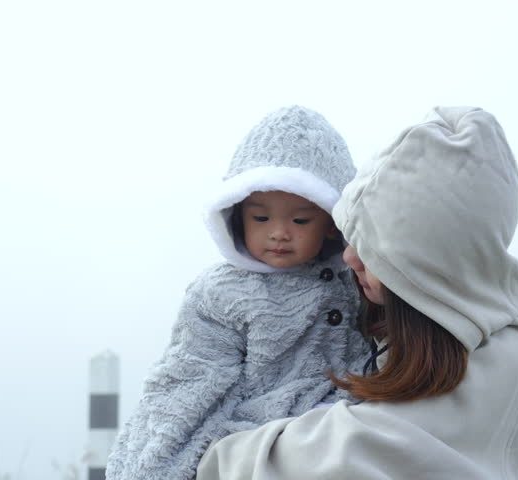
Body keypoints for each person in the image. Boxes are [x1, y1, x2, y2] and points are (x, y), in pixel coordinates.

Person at [196, 106, 518, 480]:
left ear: (430, 268)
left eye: (375, 251)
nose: (348, 257)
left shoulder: (390, 436)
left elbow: (269, 462)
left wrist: (212, 447)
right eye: (351, 236)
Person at [106, 106, 371, 480]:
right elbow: (189, 381)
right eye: (261, 218)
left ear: (331, 223)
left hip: (349, 432)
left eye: (300, 220)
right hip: (261, 438)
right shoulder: (221, 293)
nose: (279, 232)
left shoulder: (356, 281)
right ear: (236, 217)